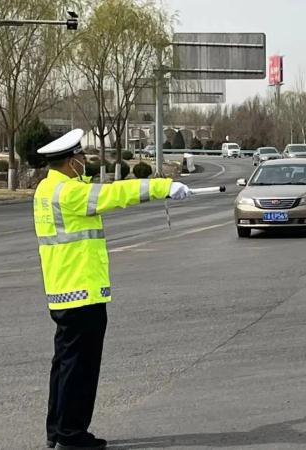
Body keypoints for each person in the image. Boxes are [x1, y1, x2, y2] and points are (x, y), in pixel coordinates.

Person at [33, 129, 190, 450]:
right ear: (70, 161)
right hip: (83, 293)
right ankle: (72, 436)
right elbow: (116, 194)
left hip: (62, 290)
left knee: (64, 364)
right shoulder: (69, 194)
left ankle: (57, 429)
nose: (84, 163)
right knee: (81, 368)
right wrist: (164, 187)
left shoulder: (46, 190)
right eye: (81, 158)